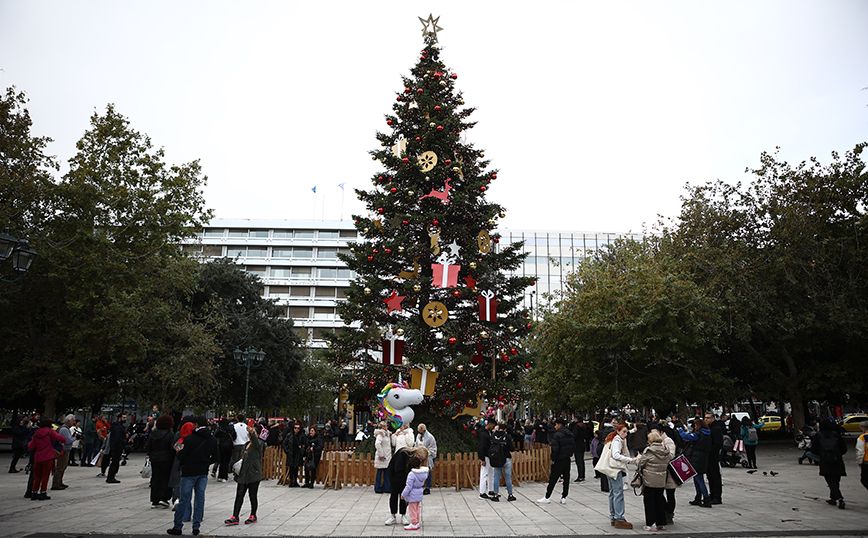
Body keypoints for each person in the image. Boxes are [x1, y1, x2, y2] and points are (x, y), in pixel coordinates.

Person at [167, 416, 219, 536]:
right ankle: (196, 526)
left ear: (196, 425)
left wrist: (178, 451)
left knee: (185, 498)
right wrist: (206, 462)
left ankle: (178, 525)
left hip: (189, 471)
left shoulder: (189, 439)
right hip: (202, 471)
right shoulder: (212, 439)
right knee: (200, 498)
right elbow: (216, 457)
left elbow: (181, 456)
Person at [594, 423, 638, 529]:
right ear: (618, 431)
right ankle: (619, 517)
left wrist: (632, 430)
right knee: (618, 493)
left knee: (613, 493)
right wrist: (630, 459)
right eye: (624, 432)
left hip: (609, 468)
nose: (626, 434)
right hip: (615, 469)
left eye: (627, 432)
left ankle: (614, 517)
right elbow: (616, 455)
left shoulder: (612, 438)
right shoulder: (617, 440)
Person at [225, 423, 264, 525]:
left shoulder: (259, 444)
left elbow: (257, 443)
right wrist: (237, 475)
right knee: (239, 495)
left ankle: (253, 515)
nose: (251, 434)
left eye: (254, 432)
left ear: (258, 434)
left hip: (253, 473)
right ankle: (235, 516)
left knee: (252, 495)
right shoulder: (246, 444)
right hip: (243, 474)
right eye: (250, 432)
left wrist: (253, 434)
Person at [637, 431, 672, 532]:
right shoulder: (666, 450)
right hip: (661, 479)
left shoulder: (649, 450)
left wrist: (638, 458)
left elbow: (641, 463)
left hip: (649, 479)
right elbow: (669, 460)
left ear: (650, 440)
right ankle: (662, 523)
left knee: (649, 501)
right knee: (660, 500)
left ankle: (651, 524)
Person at [385, 446, 427, 526]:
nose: (420, 461)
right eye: (420, 458)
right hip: (394, 473)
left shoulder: (414, 458)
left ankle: (403, 515)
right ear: (417, 454)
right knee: (394, 494)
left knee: (404, 495)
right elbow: (398, 468)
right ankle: (393, 516)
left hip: (404, 475)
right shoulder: (404, 454)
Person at [537, 417, 575, 504]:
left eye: (556, 425)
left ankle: (547, 496)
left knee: (553, 479)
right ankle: (564, 497)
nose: (555, 427)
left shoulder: (557, 435)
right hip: (567, 458)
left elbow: (555, 449)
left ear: (559, 425)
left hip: (559, 459)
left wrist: (553, 459)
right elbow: (573, 446)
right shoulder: (570, 434)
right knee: (566, 478)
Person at [812, 417, 847, 509]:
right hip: (837, 460)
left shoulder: (818, 435)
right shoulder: (836, 435)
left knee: (830, 481)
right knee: (836, 480)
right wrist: (837, 454)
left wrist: (822, 454)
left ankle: (839, 498)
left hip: (825, 460)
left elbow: (813, 449)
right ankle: (833, 498)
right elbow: (844, 448)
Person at [27, 417, 65, 501]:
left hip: (37, 457)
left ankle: (34, 492)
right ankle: (43, 492)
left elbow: (31, 446)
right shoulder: (51, 432)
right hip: (48, 457)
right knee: (45, 476)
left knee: (37, 476)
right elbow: (63, 439)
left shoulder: (36, 433)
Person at [680, 418, 712, 507]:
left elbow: (686, 437)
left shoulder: (698, 435)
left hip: (697, 459)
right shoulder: (707, 435)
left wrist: (681, 430)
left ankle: (706, 498)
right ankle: (698, 497)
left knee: (699, 479)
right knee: (697, 478)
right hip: (703, 458)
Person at [146, 414, 176, 509]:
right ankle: (164, 497)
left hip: (155, 458)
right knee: (166, 478)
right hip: (167, 459)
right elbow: (171, 448)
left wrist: (151, 454)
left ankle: (155, 499)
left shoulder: (153, 433)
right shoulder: (170, 434)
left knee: (155, 478)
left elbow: (148, 447)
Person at [400, 450, 429, 530]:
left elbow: (408, 486)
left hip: (412, 494)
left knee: (412, 510)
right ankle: (417, 522)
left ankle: (414, 523)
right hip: (419, 492)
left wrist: (403, 495)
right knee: (417, 509)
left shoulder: (411, 474)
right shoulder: (423, 473)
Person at [490, 423, 517, 502]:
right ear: (505, 429)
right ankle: (510, 495)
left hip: (496, 459)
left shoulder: (493, 436)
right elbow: (512, 448)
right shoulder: (507, 437)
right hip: (506, 458)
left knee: (496, 477)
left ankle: (495, 495)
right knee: (508, 477)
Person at [704, 412, 724, 505]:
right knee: (710, 476)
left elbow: (718, 443)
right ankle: (712, 494)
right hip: (708, 456)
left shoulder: (716, 429)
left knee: (715, 476)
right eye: (705, 418)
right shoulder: (708, 428)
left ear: (713, 419)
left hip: (713, 456)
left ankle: (717, 496)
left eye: (708, 418)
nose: (706, 419)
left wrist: (710, 451)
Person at [52, 414, 75, 490]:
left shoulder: (66, 429)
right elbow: (68, 441)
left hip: (65, 449)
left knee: (63, 467)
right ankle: (56, 483)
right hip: (64, 450)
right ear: (68, 421)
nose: (73, 422)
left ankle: (59, 481)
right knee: (60, 467)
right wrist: (75, 438)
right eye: (73, 421)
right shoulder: (64, 429)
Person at [477, 418, 497, 499]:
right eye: (493, 426)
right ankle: (482, 492)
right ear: (490, 424)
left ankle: (491, 490)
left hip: (489, 455)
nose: (493, 428)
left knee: (491, 473)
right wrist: (482, 459)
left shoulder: (488, 433)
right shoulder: (484, 435)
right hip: (486, 456)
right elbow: (481, 447)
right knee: (484, 474)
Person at [415, 424, 437, 494]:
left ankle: (427, 487)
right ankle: (419, 486)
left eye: (421, 433)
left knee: (428, 472)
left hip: (428, 457)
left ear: (424, 431)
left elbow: (433, 448)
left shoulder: (430, 437)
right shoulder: (418, 436)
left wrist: (426, 453)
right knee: (419, 471)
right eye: (419, 432)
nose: (420, 434)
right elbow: (416, 444)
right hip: (420, 456)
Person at [106, 413, 127, 483]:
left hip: (116, 446)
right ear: (119, 418)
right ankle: (111, 477)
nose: (125, 419)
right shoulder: (117, 427)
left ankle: (112, 476)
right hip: (116, 447)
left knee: (115, 462)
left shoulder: (119, 426)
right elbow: (117, 438)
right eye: (123, 418)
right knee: (114, 462)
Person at [283, 422, 305, 487]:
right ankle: (291, 481)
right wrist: (287, 451)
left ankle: (295, 481)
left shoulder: (302, 436)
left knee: (296, 468)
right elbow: (284, 444)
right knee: (291, 468)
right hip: (291, 453)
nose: (296, 429)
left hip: (298, 453)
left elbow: (305, 444)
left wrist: (302, 451)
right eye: (295, 428)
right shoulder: (289, 435)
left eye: (298, 428)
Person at [374, 421, 392, 494]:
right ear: (383, 427)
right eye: (386, 426)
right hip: (383, 456)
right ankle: (377, 488)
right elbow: (377, 444)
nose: (387, 427)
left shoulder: (386, 434)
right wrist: (381, 454)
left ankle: (386, 487)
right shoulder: (380, 435)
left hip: (387, 455)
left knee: (386, 471)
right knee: (380, 471)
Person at [569, 417, 587, 482]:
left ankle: (580, 476)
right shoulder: (583, 426)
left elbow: (574, 435)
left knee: (578, 461)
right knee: (581, 461)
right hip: (582, 444)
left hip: (577, 445)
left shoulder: (576, 426)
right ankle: (583, 475)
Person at [856, 420, 868, 492]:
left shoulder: (862, 437)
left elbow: (860, 452)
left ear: (863, 428)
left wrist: (860, 462)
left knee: (865, 480)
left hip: (867, 462)